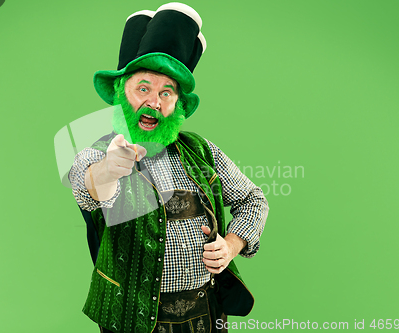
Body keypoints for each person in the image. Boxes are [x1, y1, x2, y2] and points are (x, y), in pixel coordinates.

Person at [68, 3, 269, 333]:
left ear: (176, 104)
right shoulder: (99, 152)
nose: (154, 102)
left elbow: (253, 200)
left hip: (206, 314)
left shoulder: (201, 151)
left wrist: (232, 245)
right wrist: (110, 169)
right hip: (132, 320)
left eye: (167, 92)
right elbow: (87, 185)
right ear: (122, 93)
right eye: (143, 88)